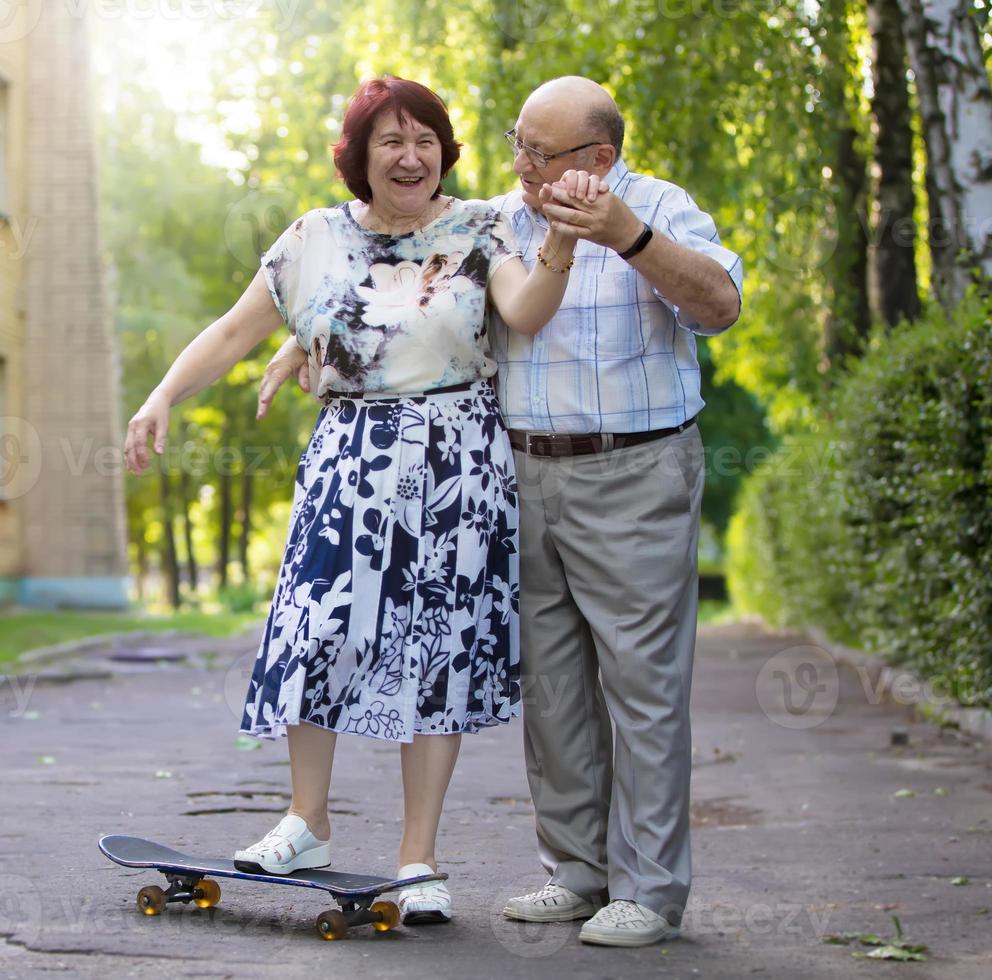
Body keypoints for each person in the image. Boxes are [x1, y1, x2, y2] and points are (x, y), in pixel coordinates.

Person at [258, 76, 743, 946]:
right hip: (517, 473)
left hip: (633, 470)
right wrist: (302, 341)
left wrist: (626, 237)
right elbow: (406, 284)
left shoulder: (659, 204)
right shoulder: (499, 218)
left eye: (541, 152)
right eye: (516, 144)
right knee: (552, 687)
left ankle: (651, 889)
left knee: (642, 687)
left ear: (600, 158)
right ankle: (577, 870)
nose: (520, 164)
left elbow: (718, 306)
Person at [123, 76, 581, 924]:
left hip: (454, 464)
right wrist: (160, 398)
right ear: (358, 157)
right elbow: (232, 331)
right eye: (390, 141)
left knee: (433, 652)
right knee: (317, 627)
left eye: (426, 140)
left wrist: (558, 241)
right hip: (349, 459)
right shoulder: (313, 240)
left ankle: (419, 857)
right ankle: (307, 818)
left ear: (444, 151)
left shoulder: (482, 227)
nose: (411, 157)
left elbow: (528, 309)